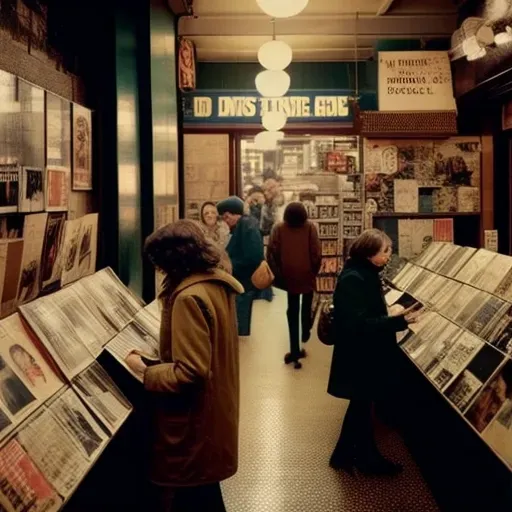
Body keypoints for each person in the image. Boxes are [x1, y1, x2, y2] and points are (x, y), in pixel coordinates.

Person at [126, 220, 243, 512]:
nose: (158, 269)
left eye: (159, 262)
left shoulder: (189, 297)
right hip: (213, 414)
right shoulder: (214, 284)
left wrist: (145, 371)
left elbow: (191, 372)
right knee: (205, 494)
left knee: (192, 498)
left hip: (194, 420)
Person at [327, 229, 420, 476]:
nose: (389, 256)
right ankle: (367, 460)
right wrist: (399, 321)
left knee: (360, 406)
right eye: (385, 251)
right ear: (369, 254)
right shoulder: (354, 279)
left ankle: (344, 455)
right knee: (361, 405)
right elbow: (360, 324)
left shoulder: (364, 273)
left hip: (364, 354)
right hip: (360, 356)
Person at [267, 202, 321, 369]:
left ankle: (294, 350)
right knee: (306, 308)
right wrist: (313, 271)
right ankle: (305, 331)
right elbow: (316, 253)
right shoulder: (310, 228)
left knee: (292, 312)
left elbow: (271, 253)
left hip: (287, 279)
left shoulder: (279, 229)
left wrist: (278, 275)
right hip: (306, 276)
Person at [217, 196, 264, 337]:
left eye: (227, 216)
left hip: (245, 283)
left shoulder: (246, 226)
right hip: (242, 283)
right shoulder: (242, 226)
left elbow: (254, 257)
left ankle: (242, 353)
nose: (226, 220)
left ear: (236, 213)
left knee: (242, 324)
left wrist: (229, 265)